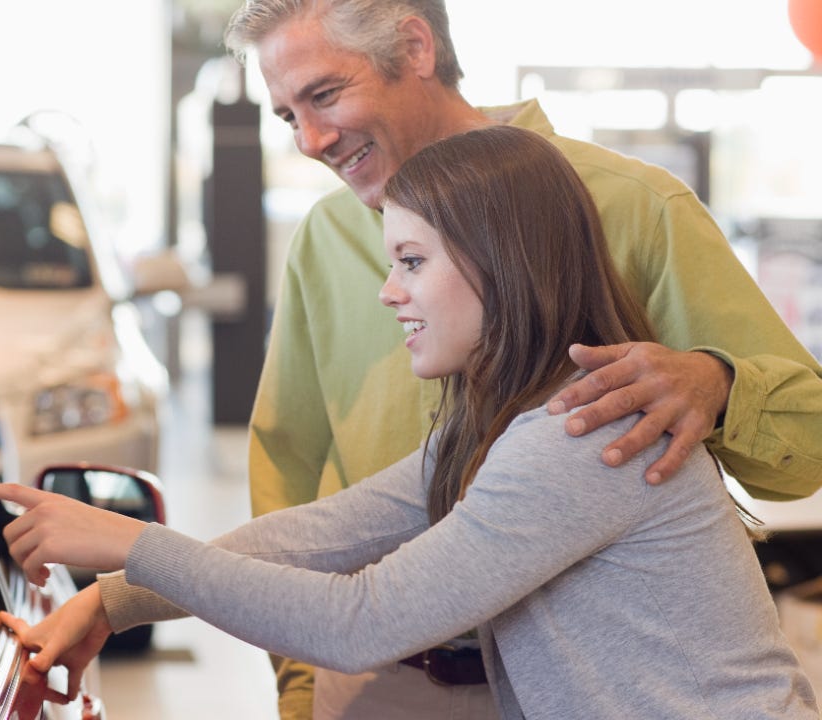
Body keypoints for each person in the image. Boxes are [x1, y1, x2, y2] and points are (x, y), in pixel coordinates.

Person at [0, 125, 818, 720]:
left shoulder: (577, 434)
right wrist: (111, 604)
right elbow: (315, 536)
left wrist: (128, 543)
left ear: (501, 265)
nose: (389, 292)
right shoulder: (496, 425)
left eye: (412, 261)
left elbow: (363, 619)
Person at [223, 1, 822, 717]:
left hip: (590, 684)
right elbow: (289, 460)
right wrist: (300, 675)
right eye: (289, 116)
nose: (311, 140)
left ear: (416, 46)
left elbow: (807, 444)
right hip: (376, 678)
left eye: (324, 95)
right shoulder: (324, 236)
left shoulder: (635, 205)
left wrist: (715, 381)